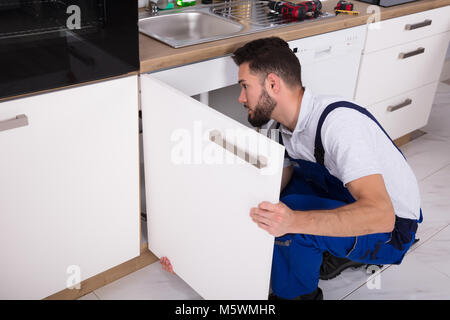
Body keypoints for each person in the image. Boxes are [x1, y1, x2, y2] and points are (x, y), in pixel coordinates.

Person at [161, 36, 422, 300]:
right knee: (273, 202)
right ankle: (324, 248)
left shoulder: (339, 126)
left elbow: (381, 215)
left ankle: (298, 296)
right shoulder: (279, 127)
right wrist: (193, 252)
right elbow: (263, 192)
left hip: (392, 227)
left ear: (273, 84)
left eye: (244, 86)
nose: (240, 98)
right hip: (343, 196)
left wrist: (294, 221)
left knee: (291, 220)